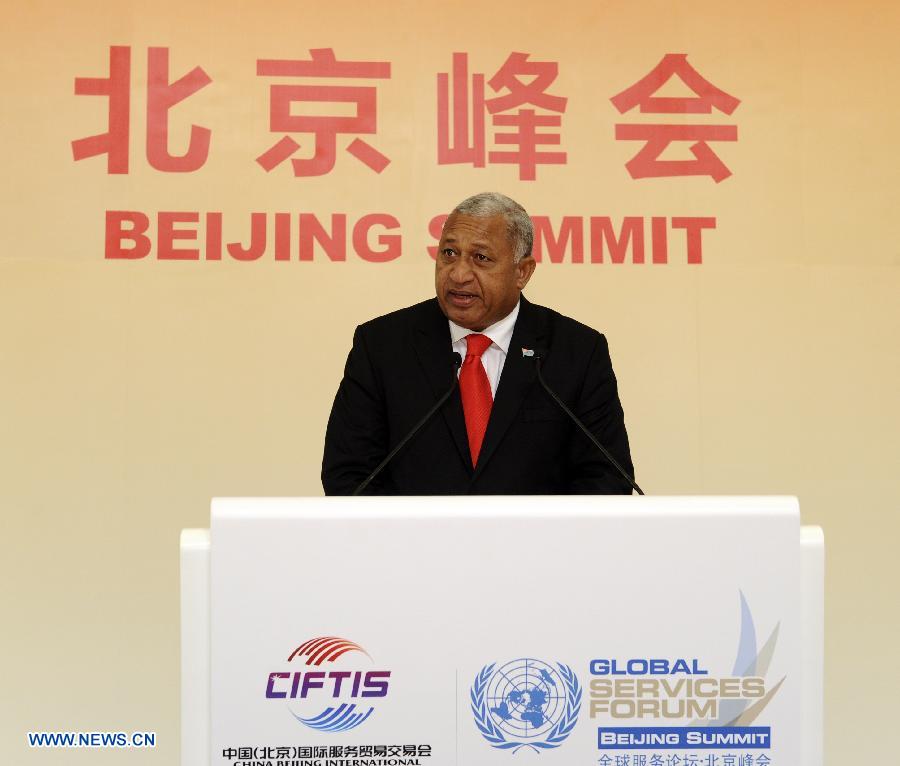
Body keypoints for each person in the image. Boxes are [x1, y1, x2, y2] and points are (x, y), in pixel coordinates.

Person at [322, 192, 634, 495]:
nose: (458, 274)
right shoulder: (382, 345)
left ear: (522, 272)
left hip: (537, 547)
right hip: (412, 545)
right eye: (449, 253)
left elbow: (605, 478)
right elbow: (349, 474)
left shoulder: (577, 352)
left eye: (480, 258)